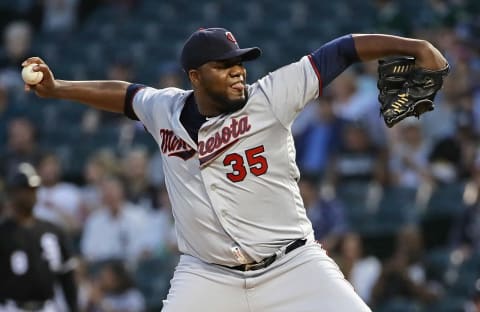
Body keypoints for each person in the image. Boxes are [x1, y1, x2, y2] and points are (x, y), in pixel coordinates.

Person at [23, 27, 448, 311]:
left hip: (292, 265)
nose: (238, 71)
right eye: (224, 65)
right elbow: (124, 95)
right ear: (195, 76)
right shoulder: (165, 109)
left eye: (240, 62)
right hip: (206, 276)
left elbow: (341, 50)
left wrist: (414, 47)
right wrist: (59, 88)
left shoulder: (272, 96)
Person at [0, 162, 78, 312]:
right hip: (11, 307)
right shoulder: (3, 232)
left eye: (34, 189)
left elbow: (67, 277)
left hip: (47, 307)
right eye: (25, 189)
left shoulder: (53, 230)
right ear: (12, 192)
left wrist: (74, 308)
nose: (31, 194)